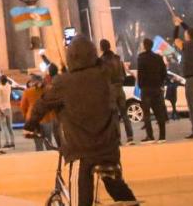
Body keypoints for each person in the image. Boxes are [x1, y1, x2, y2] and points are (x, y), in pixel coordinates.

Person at [24, 36, 136, 206]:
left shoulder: (63, 82)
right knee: (117, 188)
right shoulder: (104, 75)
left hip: (80, 151)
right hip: (109, 149)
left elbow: (42, 104)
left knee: (80, 199)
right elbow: (103, 64)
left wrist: (30, 126)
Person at [97, 40, 133, 145]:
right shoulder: (118, 59)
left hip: (110, 90)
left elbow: (101, 78)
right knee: (124, 113)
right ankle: (130, 136)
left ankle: (117, 139)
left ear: (101, 48)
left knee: (114, 115)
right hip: (120, 88)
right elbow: (124, 75)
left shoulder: (101, 61)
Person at [135, 39, 168, 142]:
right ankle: (162, 136)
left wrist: (140, 85)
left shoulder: (141, 58)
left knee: (147, 114)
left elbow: (140, 74)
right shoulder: (158, 58)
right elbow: (164, 72)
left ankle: (150, 136)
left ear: (144, 46)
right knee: (159, 112)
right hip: (157, 88)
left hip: (146, 89)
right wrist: (161, 83)